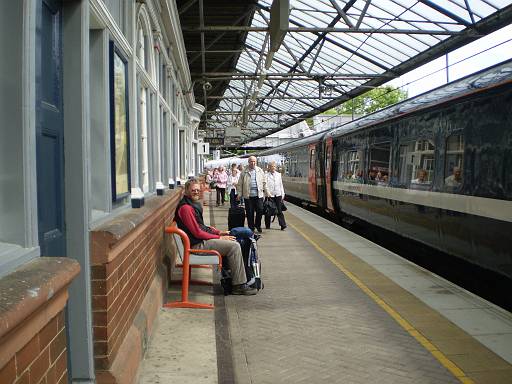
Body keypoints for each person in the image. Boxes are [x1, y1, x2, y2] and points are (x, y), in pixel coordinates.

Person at [175, 179, 257, 295]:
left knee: (233, 237)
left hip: (198, 241)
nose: (196, 192)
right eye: (193, 190)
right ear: (187, 191)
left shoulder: (191, 204)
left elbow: (201, 227)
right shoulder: (186, 208)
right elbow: (197, 232)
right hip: (196, 245)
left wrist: (219, 233)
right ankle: (238, 285)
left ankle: (232, 277)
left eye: (198, 190)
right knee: (234, 246)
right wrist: (219, 238)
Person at [237, 156, 269, 233]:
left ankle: (258, 225)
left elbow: (264, 182)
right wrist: (239, 194)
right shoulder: (244, 172)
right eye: (251, 161)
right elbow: (240, 184)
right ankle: (251, 227)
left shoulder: (260, 170)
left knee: (260, 210)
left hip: (259, 195)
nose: (253, 163)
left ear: (256, 162)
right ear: (248, 162)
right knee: (249, 212)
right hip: (248, 196)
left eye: (254, 161)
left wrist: (267, 192)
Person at [264, 161, 287, 230]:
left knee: (279, 210)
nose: (273, 168)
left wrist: (282, 193)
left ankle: (283, 225)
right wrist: (267, 193)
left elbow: (281, 185)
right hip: (269, 195)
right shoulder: (266, 175)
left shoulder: (278, 175)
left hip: (278, 194)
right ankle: (267, 225)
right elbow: (265, 185)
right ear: (269, 167)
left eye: (274, 166)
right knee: (268, 210)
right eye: (271, 166)